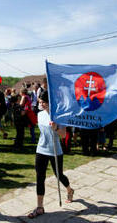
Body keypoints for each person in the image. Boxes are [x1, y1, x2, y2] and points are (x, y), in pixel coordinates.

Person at [28, 91, 74, 219]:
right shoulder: (40, 114)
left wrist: (56, 128)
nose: (41, 104)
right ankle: (40, 207)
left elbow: (64, 135)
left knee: (59, 174)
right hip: (41, 149)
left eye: (44, 102)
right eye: (40, 102)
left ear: (50, 102)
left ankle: (69, 190)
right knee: (39, 177)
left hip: (55, 150)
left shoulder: (59, 116)